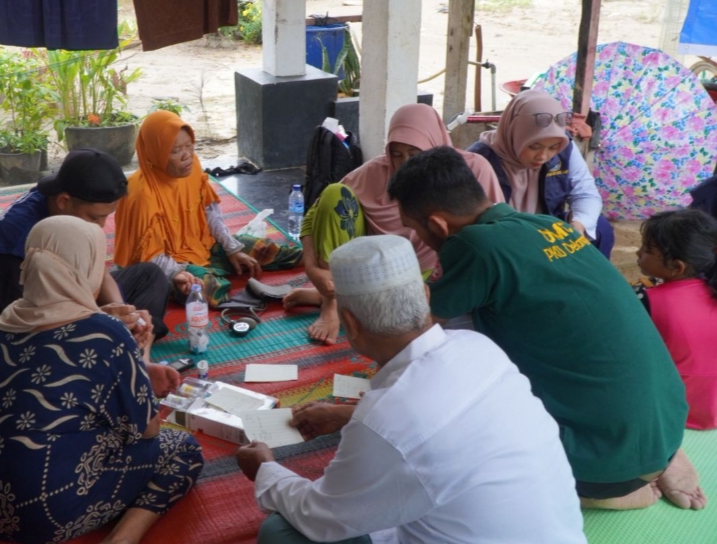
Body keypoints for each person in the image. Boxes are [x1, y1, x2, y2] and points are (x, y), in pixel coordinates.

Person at [387, 146, 706, 511]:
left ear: (439, 224)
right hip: (666, 420)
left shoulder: (473, 246)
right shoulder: (548, 225)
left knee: (454, 450)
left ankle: (610, 492)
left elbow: (417, 332)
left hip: (603, 464)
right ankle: (657, 459)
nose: (417, 239)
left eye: (414, 229)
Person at [236, 235, 585, 544]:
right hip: (561, 533)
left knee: (280, 533)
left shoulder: (385, 420)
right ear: (426, 295)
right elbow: (435, 420)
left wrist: (264, 469)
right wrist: (347, 415)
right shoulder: (478, 346)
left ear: (351, 324)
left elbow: (322, 517)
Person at [0, 216, 203, 544]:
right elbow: (147, 430)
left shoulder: (9, 319)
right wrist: (141, 356)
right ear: (85, 266)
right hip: (40, 510)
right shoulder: (106, 332)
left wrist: (137, 365)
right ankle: (123, 538)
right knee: (181, 447)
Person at [284, 103, 505, 345]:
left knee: (404, 318)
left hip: (435, 272)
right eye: (397, 154)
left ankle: (349, 297)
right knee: (335, 194)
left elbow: (492, 228)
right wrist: (312, 269)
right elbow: (314, 215)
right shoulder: (376, 172)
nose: (404, 164)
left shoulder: (472, 169)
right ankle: (332, 300)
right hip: (377, 267)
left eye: (414, 153)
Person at [0, 148, 187, 371]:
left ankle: (141, 358)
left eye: (106, 217)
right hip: (26, 345)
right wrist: (100, 320)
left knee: (149, 276)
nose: (100, 227)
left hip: (66, 304)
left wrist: (123, 311)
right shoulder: (14, 243)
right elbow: (30, 325)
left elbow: (96, 270)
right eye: (94, 218)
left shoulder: (61, 198)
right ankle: (131, 362)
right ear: (64, 201)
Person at [113, 111, 302, 307]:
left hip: (201, 245)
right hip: (168, 264)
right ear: (155, 152)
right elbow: (151, 258)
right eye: (176, 151)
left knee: (261, 249)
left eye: (189, 146)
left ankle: (315, 259)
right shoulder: (141, 194)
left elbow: (210, 211)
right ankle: (249, 297)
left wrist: (231, 249)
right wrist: (179, 273)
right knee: (202, 287)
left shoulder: (192, 166)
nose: (187, 155)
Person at [467, 89, 615, 258]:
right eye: (534, 146)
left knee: (600, 229)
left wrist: (579, 224)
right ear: (514, 133)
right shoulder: (479, 161)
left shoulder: (564, 147)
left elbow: (585, 192)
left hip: (546, 232)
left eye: (552, 148)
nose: (543, 156)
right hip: (504, 242)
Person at [636, 209, 717, 430]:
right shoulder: (710, 290)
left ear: (677, 266)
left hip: (671, 410)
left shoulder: (647, 299)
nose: (637, 253)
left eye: (646, 249)